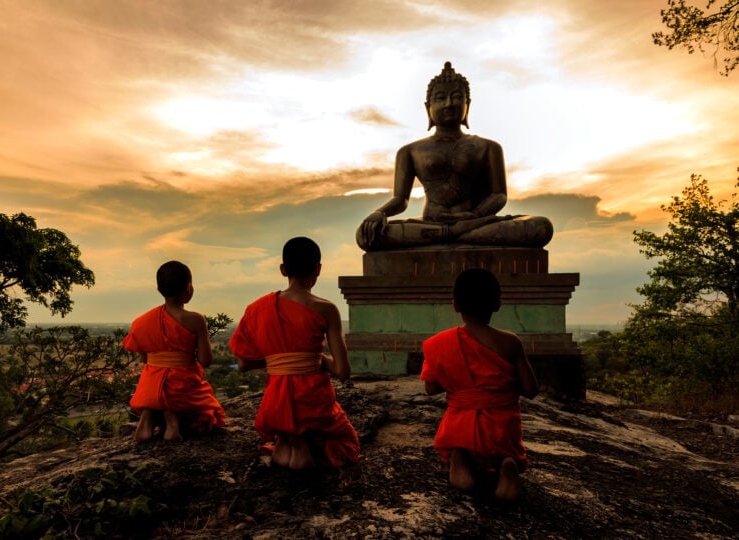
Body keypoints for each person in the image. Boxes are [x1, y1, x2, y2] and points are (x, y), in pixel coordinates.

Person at [356, 61, 553, 251]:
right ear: (428, 107)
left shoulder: (488, 147)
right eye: (440, 98)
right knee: (366, 234)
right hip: (430, 224)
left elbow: (499, 195)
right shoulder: (410, 151)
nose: (449, 104)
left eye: (457, 97)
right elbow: (401, 199)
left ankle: (449, 235)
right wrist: (379, 213)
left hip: (476, 223)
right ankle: (456, 235)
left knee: (540, 227)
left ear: (468, 105)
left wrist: (473, 215)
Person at [229, 237, 360, 469]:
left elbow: (243, 364)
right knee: (347, 444)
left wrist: (281, 361)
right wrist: (313, 360)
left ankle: (288, 441)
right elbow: (342, 371)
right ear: (318, 269)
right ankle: (300, 445)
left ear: (283, 270)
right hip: (312, 403)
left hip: (274, 405)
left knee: (288, 431)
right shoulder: (326, 309)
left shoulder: (256, 309)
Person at [420, 268, 538, 500]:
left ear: (455, 305)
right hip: (502, 430)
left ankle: (460, 457)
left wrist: (459, 380)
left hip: (460, 428)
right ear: (496, 305)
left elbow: (431, 388)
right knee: (507, 451)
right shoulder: (510, 342)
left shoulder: (440, 343)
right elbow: (531, 390)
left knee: (457, 443)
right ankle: (507, 463)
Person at [124, 261, 225, 442]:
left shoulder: (140, 322)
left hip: (149, 389)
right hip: (182, 388)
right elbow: (205, 361)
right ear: (188, 288)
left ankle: (149, 416)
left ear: (159, 289)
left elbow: (145, 359)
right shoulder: (195, 319)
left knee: (160, 387)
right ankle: (172, 422)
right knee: (209, 410)